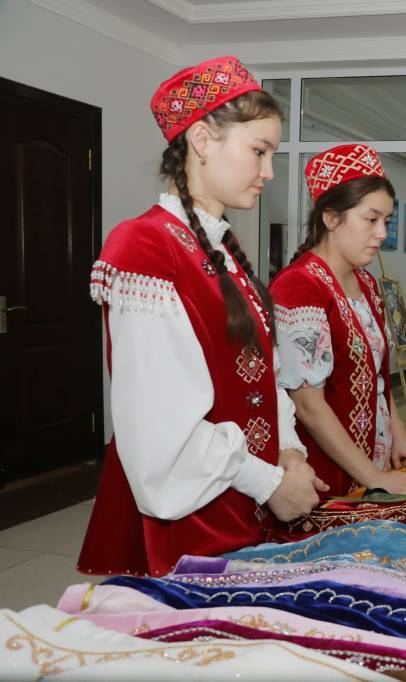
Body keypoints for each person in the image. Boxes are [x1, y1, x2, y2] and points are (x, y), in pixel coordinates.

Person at [78, 56, 325, 578]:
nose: (268, 172)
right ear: (202, 140)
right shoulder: (145, 246)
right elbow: (161, 425)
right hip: (195, 520)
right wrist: (268, 482)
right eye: (258, 151)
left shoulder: (221, 248)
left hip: (246, 502)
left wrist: (288, 451)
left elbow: (263, 374)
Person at [271, 144, 406, 497]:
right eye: (371, 219)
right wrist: (373, 476)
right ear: (331, 218)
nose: (382, 233)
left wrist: (399, 435)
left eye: (386, 222)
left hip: (373, 461)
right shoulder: (300, 286)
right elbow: (308, 405)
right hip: (330, 472)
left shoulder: (366, 282)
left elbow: (377, 376)